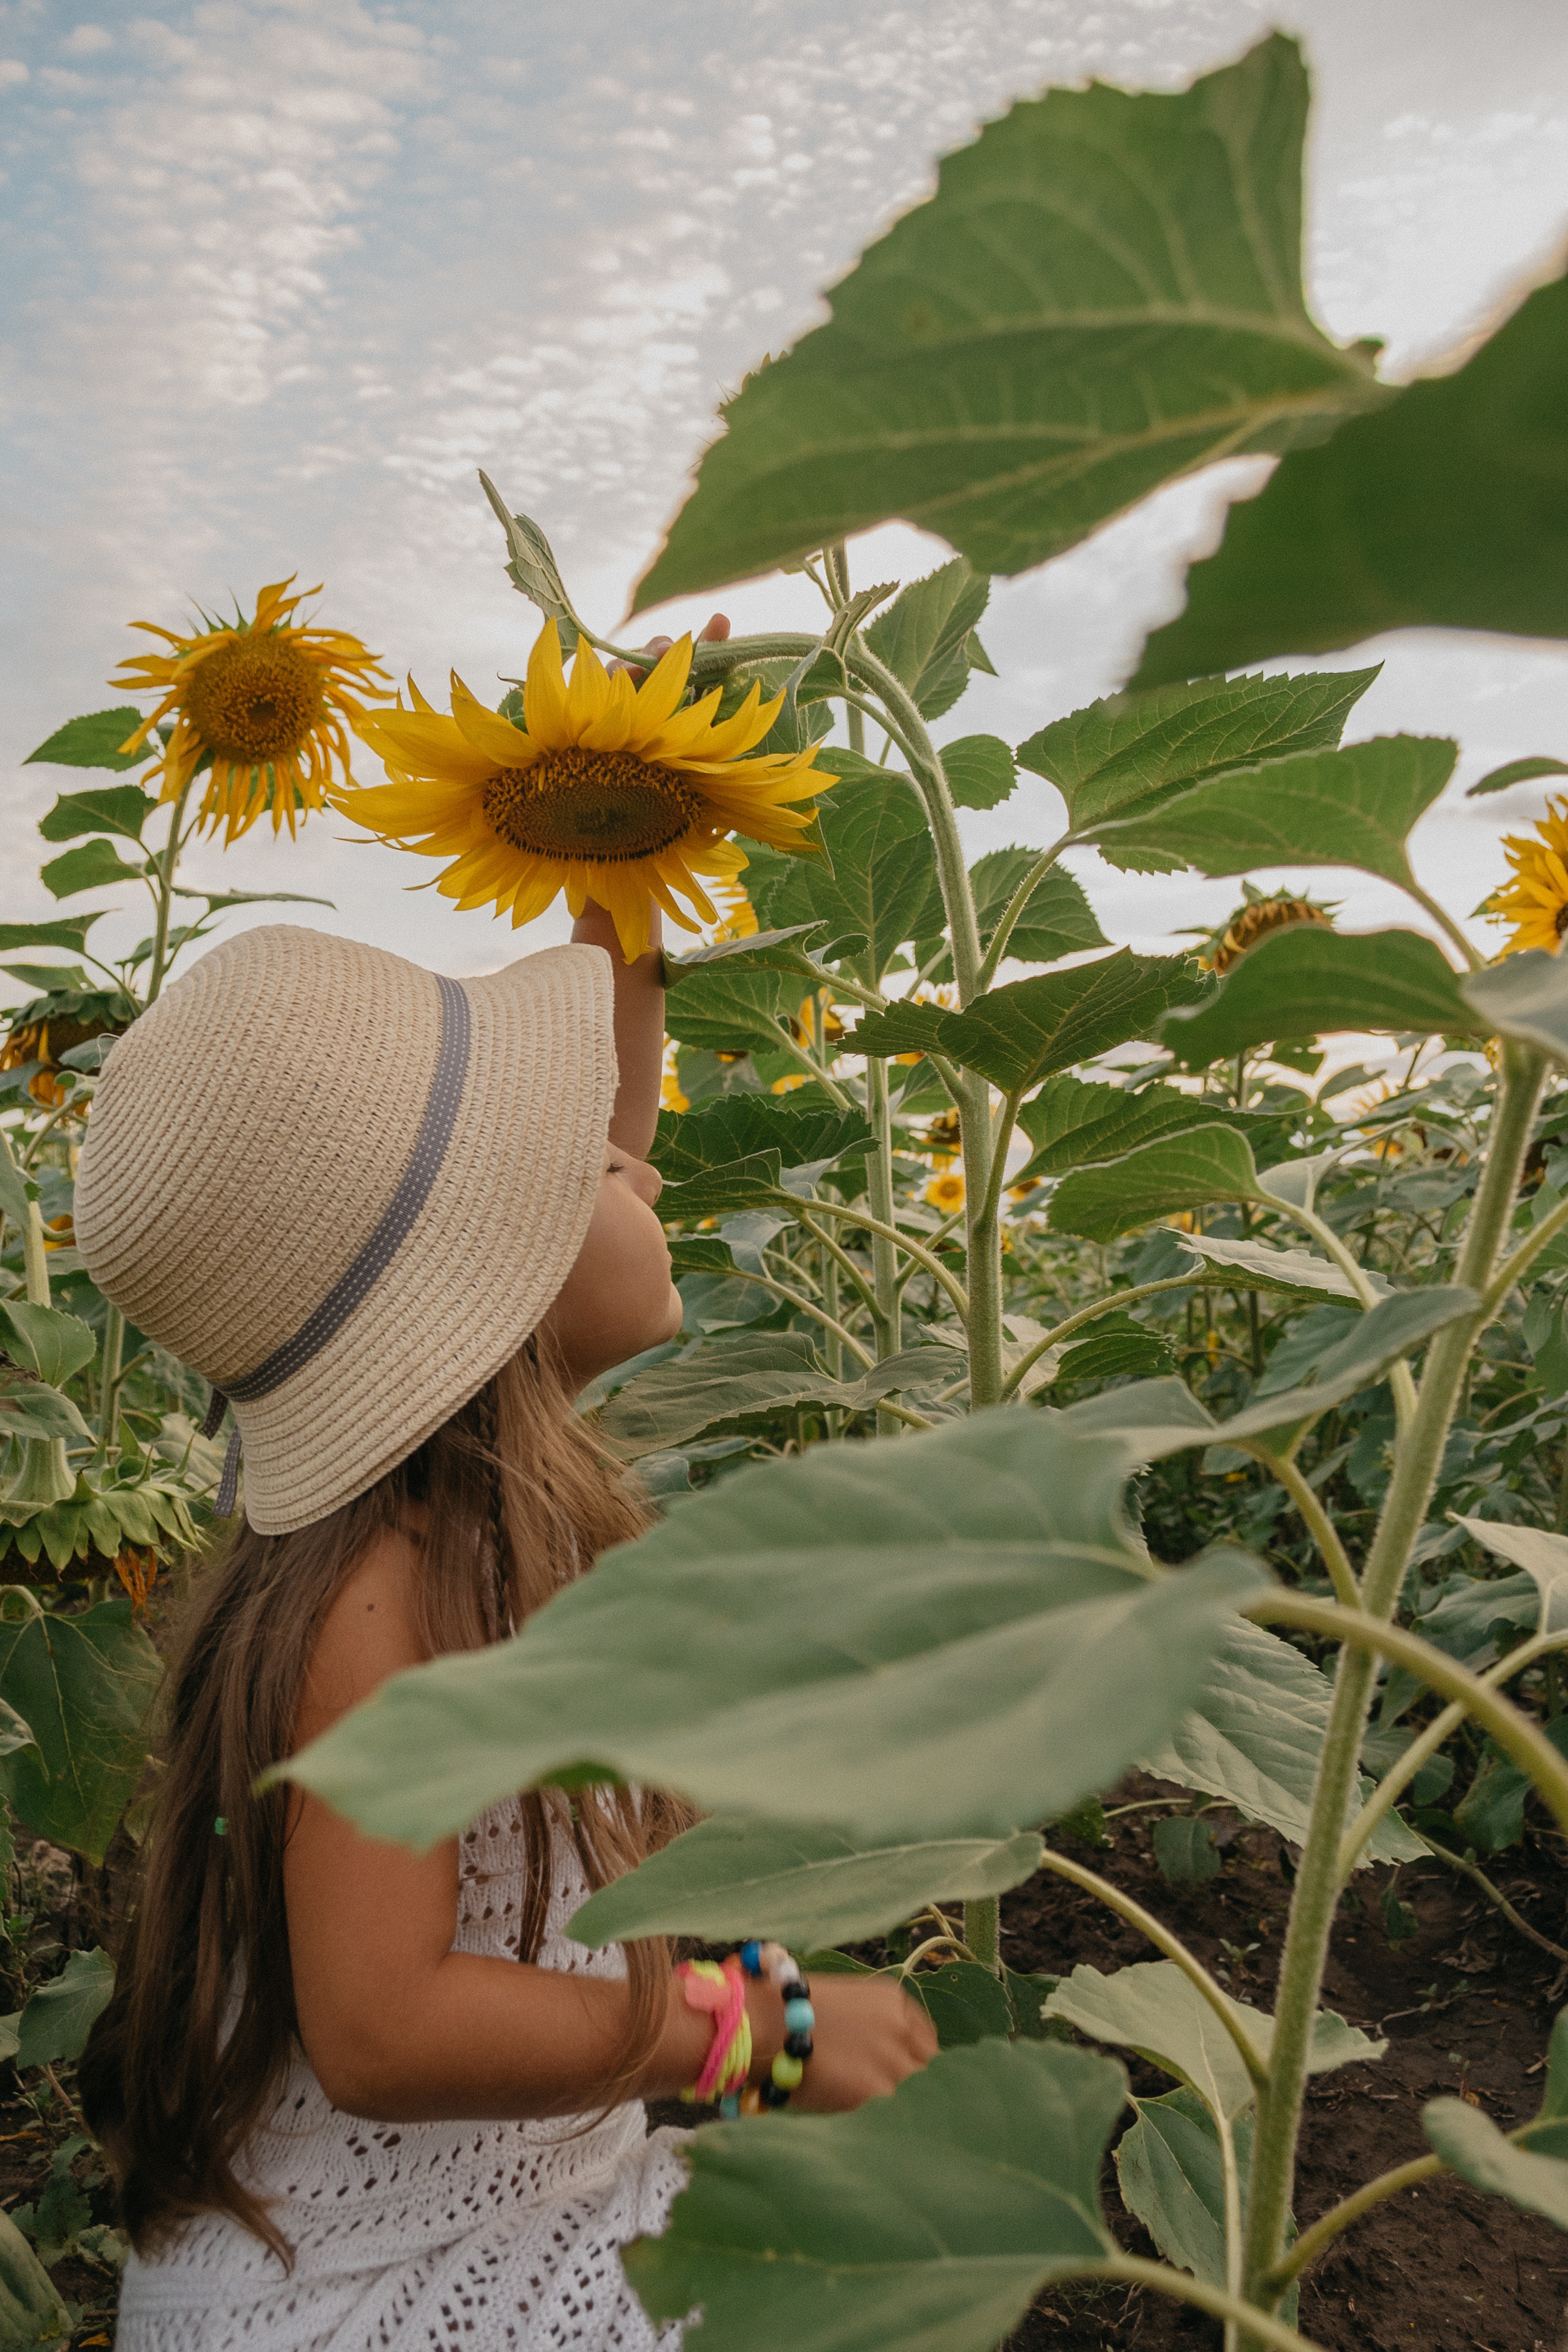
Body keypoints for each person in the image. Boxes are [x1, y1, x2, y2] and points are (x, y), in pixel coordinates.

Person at [73, 623, 937, 2352]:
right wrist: (752, 2031)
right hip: (383, 2296)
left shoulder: (450, 1494)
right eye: (589, 1163)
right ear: (493, 1292)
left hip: (501, 2203)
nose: (641, 1164)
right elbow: (386, 2026)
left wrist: (630, 847)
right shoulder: (382, 1602)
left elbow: (605, 1131)